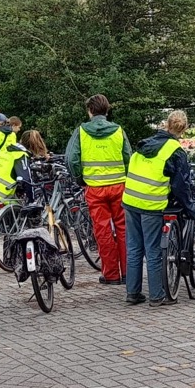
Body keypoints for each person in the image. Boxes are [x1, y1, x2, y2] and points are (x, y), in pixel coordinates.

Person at [122, 110, 195, 306]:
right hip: (151, 204)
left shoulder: (144, 144)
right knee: (154, 250)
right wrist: (190, 209)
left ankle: (133, 292)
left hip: (130, 200)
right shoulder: (175, 151)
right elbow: (181, 186)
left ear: (166, 124)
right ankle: (156, 295)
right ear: (184, 129)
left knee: (134, 248)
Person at [65, 94, 131, 285]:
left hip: (94, 188)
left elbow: (72, 159)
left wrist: (80, 180)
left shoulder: (81, 132)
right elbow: (128, 157)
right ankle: (128, 273)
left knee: (102, 231)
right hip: (119, 186)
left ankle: (111, 275)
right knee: (124, 229)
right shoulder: (118, 130)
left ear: (90, 111)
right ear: (107, 110)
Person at [0, 130, 34, 268]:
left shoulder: (5, 151)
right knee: (10, 226)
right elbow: (26, 180)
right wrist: (31, 199)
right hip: (4, 195)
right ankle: (9, 259)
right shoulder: (21, 155)